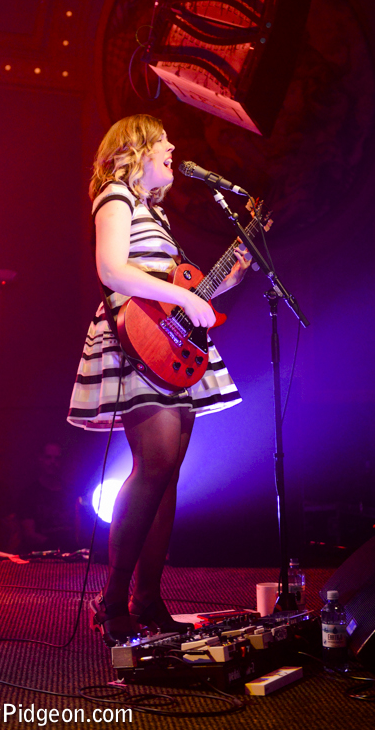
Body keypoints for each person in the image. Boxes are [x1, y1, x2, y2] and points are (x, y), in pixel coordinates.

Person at [67, 114, 250, 645]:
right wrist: (185, 298)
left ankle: (147, 597)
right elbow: (112, 270)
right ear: (136, 148)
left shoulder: (157, 214)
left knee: (167, 474)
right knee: (156, 465)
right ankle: (112, 598)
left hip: (168, 346)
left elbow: (176, 292)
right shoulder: (115, 196)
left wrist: (226, 280)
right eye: (164, 141)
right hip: (136, 341)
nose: (173, 148)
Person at [13, 442, 75, 554]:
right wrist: (55, 546)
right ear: (40, 459)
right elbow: (29, 535)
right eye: (48, 457)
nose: (52, 462)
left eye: (56, 458)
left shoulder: (71, 492)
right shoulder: (29, 494)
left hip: (71, 553)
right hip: (41, 556)